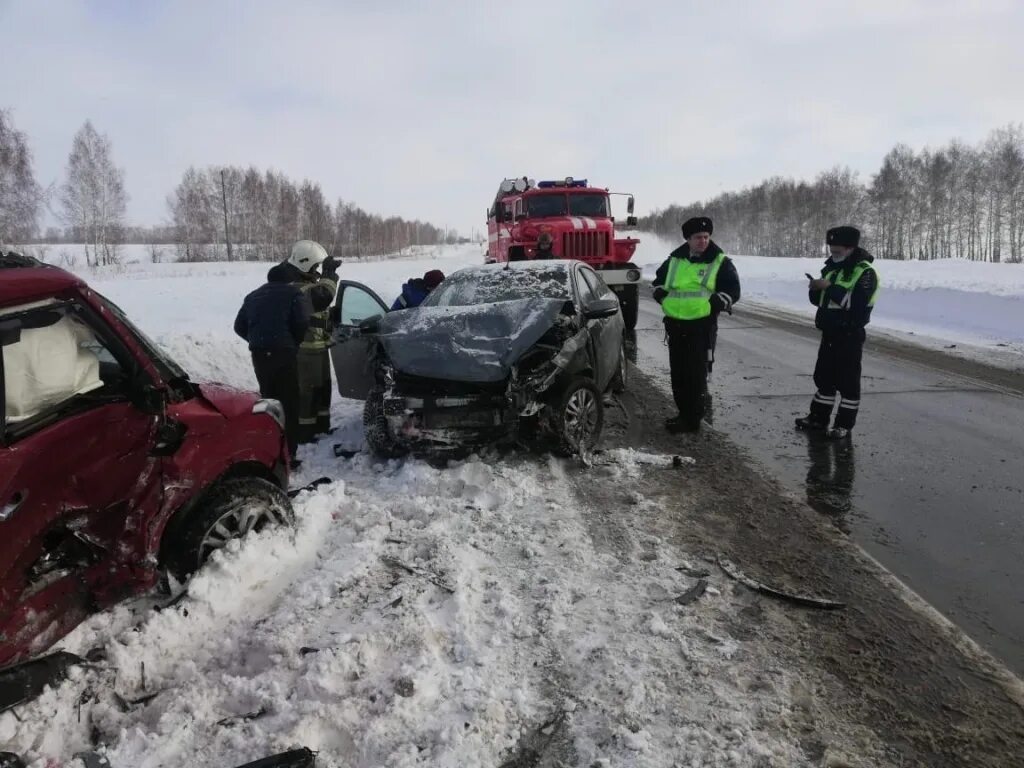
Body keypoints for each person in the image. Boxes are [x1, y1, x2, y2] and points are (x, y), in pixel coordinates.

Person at [651, 216, 741, 434]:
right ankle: (683, 414)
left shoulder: (720, 261)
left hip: (701, 327)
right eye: (698, 237)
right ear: (688, 239)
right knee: (678, 373)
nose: (703, 241)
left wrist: (715, 304)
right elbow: (658, 282)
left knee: (696, 374)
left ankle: (693, 420)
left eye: (706, 237)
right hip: (676, 325)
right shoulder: (674, 260)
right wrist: (662, 297)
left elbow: (733, 291)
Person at [795, 226, 880, 440]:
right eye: (831, 249)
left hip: (849, 334)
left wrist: (828, 287)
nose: (833, 253)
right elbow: (821, 302)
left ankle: (843, 425)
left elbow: (856, 304)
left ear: (851, 247)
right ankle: (818, 418)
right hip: (830, 333)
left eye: (838, 250)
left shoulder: (865, 272)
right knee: (824, 378)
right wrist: (815, 289)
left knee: (848, 383)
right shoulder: (831, 268)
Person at [234, 267, 312, 465]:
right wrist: (293, 343)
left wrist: (258, 341)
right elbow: (302, 322)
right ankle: (288, 454)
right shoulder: (294, 293)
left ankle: (268, 451)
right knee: (289, 403)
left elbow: (239, 326)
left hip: (260, 355)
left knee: (268, 401)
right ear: (288, 280)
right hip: (284, 353)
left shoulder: (252, 296)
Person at [266, 240, 340, 443]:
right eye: (316, 267)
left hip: (318, 347)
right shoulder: (296, 287)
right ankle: (305, 434)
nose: (317, 272)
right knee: (307, 392)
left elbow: (318, 308)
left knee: (322, 389)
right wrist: (329, 275)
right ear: (305, 264)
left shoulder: (305, 283)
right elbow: (323, 296)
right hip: (304, 351)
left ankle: (321, 428)